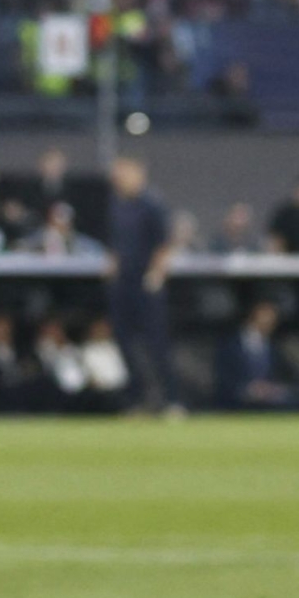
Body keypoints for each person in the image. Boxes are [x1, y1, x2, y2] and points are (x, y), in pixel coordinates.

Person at [105, 157, 175, 413]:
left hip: (145, 282)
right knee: (123, 342)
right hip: (122, 283)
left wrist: (156, 274)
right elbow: (114, 243)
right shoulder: (116, 205)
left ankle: (171, 400)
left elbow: (164, 243)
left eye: (123, 172)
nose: (118, 178)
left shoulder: (152, 203)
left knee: (156, 343)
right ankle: (137, 399)